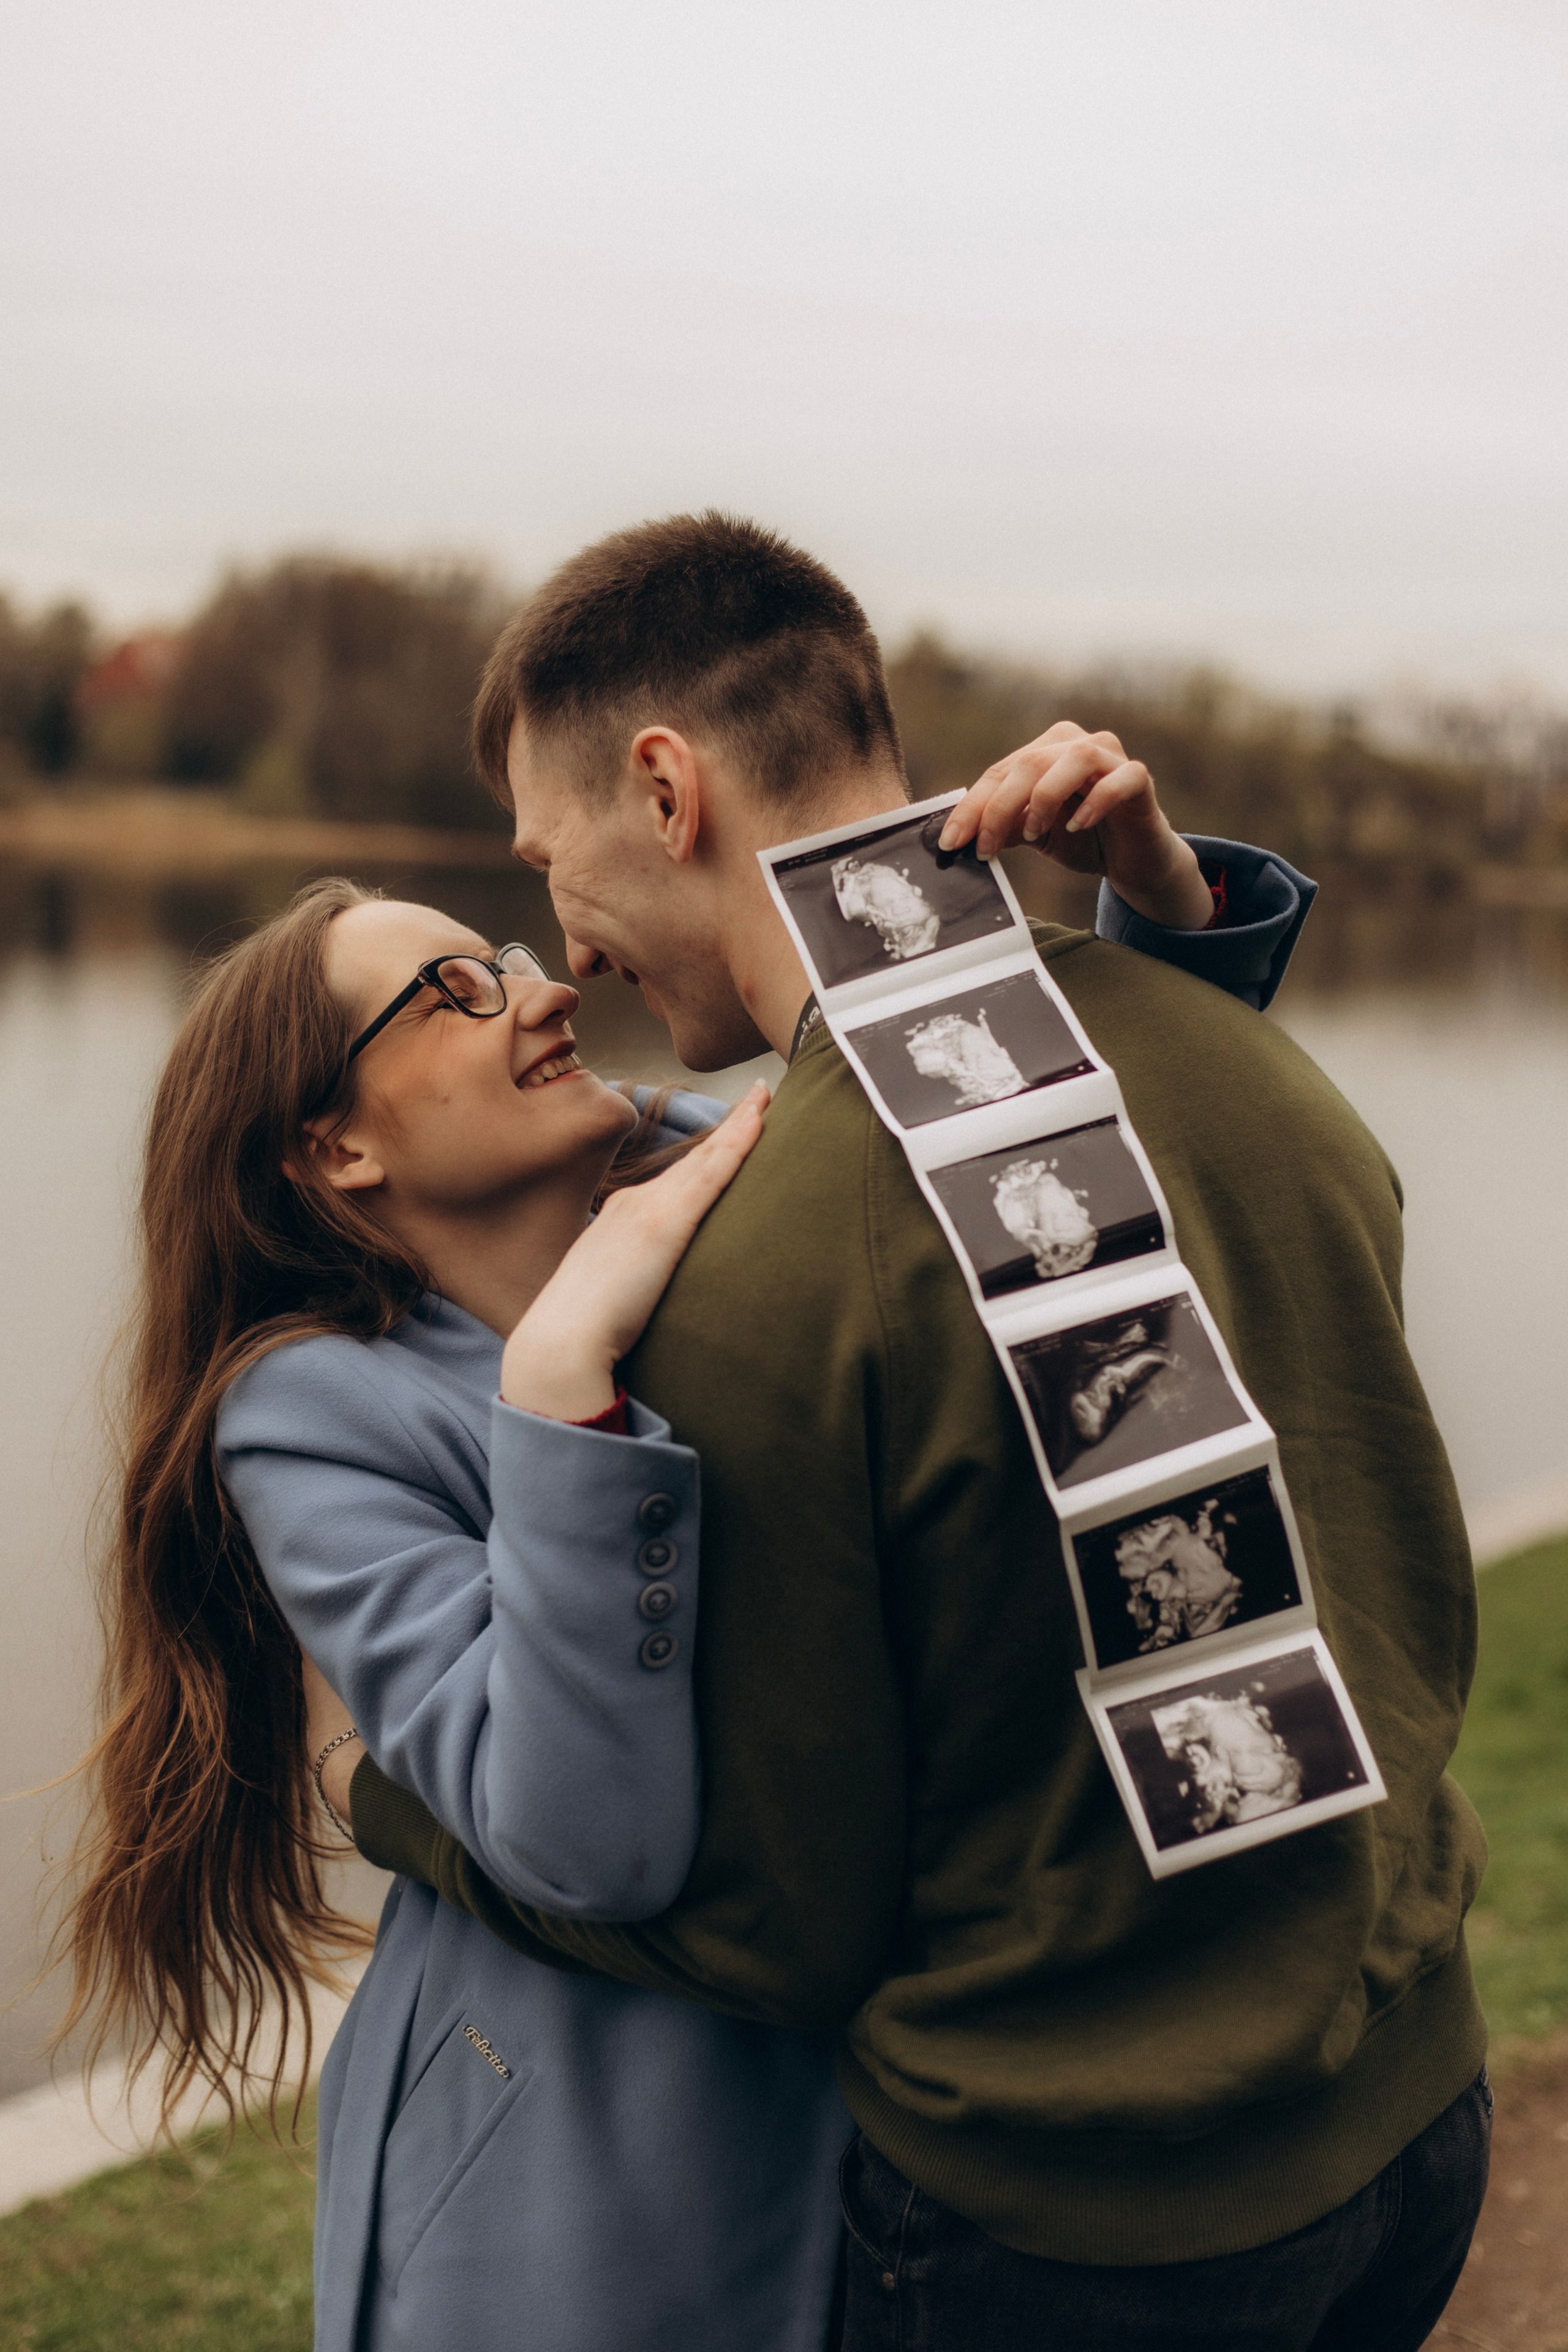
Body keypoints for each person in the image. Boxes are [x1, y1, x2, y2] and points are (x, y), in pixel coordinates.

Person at [352, 512, 1490, 2352]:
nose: (560, 939)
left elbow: (771, 1920)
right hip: (1416, 2120)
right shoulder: (1250, 1065)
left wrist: (404, 1808)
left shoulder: (753, 1272)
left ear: (666, 789)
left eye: (546, 858)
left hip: (1082, 2231)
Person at [58, 820, 1292, 2347]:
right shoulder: (318, 1409)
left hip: (867, 2124)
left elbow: (1037, 1209)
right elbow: (584, 1845)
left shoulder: (728, 1204)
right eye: (455, 988)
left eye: (508, 953)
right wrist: (560, 1394)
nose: (540, 989)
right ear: (335, 1150)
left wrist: (1174, 922)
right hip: (568, 2168)